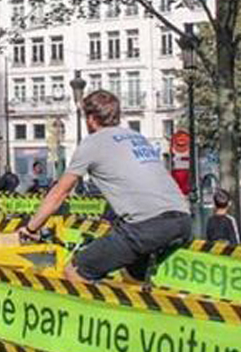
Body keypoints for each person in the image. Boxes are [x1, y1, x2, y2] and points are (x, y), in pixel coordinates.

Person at [18, 90, 192, 283]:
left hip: (146, 226)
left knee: (74, 271)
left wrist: (32, 228)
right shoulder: (136, 137)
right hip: (182, 220)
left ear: (91, 119)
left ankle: (95, 313)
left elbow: (60, 192)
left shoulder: (92, 144)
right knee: (130, 276)